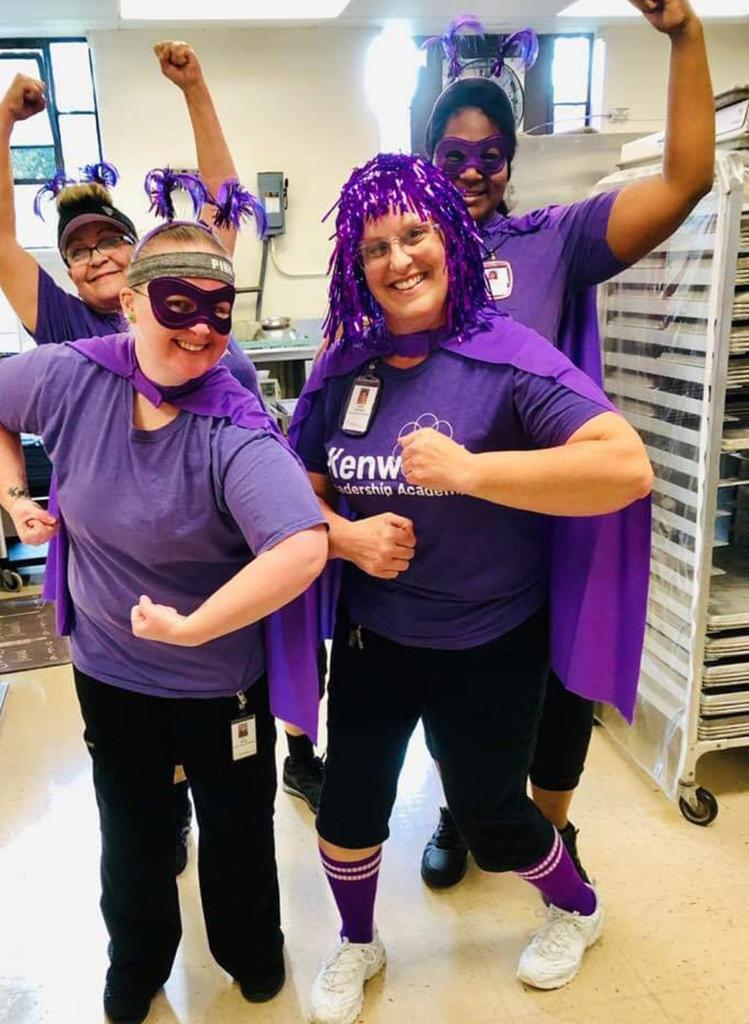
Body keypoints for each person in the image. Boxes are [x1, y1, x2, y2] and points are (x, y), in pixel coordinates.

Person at [290, 152, 652, 1024]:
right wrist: (341, 537)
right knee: (346, 803)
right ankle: (357, 939)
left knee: (492, 816)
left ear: (449, 241)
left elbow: (623, 467)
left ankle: (578, 908)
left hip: (490, 638)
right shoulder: (344, 362)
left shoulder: (506, 354)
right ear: (355, 264)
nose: (397, 260)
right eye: (374, 246)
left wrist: (471, 471)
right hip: (378, 633)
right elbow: (303, 477)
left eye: (414, 235)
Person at [0, 177, 328, 1024]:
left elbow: (300, 543)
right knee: (131, 831)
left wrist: (194, 626)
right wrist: (17, 496)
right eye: (177, 303)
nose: (200, 327)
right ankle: (136, 962)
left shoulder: (232, 422)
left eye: (218, 306)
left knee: (235, 826)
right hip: (110, 666)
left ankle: (250, 951)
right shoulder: (69, 376)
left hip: (216, 679)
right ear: (129, 304)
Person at [418, 0, 714, 887]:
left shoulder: (553, 239)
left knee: (558, 678)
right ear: (426, 159)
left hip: (548, 508)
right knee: (448, 677)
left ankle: (549, 832)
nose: (471, 172)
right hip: (449, 516)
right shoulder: (401, 253)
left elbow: (687, 177)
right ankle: (461, 806)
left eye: (490, 154)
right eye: (452, 155)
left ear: (511, 160)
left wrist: (685, 36)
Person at [0, 42, 269, 870]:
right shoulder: (65, 334)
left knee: (220, 730)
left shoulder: (191, 307)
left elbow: (225, 207)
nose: (97, 254)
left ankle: (221, 824)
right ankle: (163, 814)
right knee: (135, 731)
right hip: (111, 564)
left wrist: (196, 89)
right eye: (78, 249)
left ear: (143, 261)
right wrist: (1, 120)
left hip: (211, 551)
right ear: (67, 269)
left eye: (111, 240)